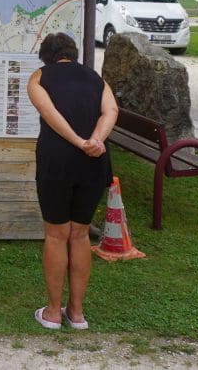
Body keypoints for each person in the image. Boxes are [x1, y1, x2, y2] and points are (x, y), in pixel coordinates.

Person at [26, 32, 118, 330]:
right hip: (94, 162)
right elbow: (111, 111)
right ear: (72, 53)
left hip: (57, 162)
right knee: (79, 234)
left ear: (46, 56)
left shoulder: (40, 78)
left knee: (56, 234)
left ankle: (53, 313)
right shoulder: (95, 79)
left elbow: (49, 113)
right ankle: (76, 314)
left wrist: (79, 142)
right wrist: (94, 141)